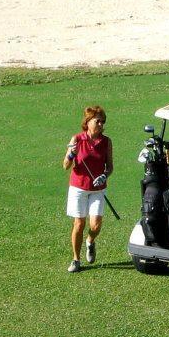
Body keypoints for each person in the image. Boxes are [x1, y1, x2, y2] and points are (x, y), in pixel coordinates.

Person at [63, 105, 113, 272]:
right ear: (88, 122)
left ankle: (90, 241)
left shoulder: (106, 142)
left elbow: (110, 167)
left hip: (98, 189)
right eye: (97, 121)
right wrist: (71, 154)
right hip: (78, 188)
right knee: (79, 223)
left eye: (102, 121)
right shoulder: (76, 139)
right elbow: (65, 165)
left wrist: (104, 176)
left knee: (96, 225)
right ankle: (76, 259)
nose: (101, 124)